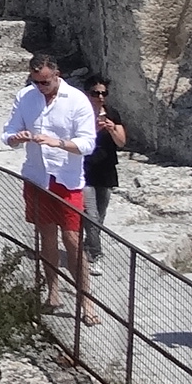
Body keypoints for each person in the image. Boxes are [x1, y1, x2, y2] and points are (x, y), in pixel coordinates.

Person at [2, 56, 99, 324]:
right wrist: (16, 138)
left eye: (45, 82)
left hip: (66, 179)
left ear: (57, 74)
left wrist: (58, 143)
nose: (41, 87)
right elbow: (8, 132)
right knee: (46, 237)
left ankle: (86, 300)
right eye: (36, 82)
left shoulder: (76, 100)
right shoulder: (26, 97)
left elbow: (88, 143)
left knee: (72, 240)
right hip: (37, 177)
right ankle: (53, 293)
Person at [84, 76, 126, 265]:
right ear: (88, 94)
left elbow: (121, 142)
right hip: (85, 170)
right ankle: (96, 253)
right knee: (91, 215)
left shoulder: (112, 113)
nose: (100, 97)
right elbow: (78, 140)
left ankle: (88, 245)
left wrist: (111, 129)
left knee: (100, 216)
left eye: (103, 93)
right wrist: (94, 129)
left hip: (106, 169)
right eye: (96, 93)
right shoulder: (81, 114)